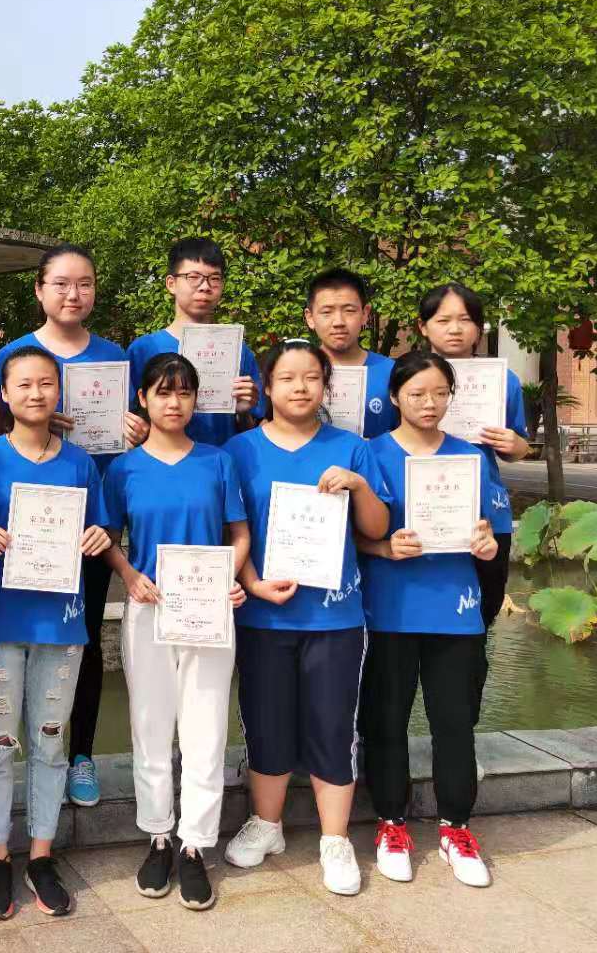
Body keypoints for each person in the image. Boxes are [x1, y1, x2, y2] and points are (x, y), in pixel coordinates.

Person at [221, 339, 391, 897]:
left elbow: (376, 529)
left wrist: (358, 485)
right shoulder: (238, 451)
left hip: (334, 617)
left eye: (312, 378)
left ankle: (334, 838)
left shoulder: (350, 448)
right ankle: (266, 824)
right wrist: (251, 583)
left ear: (326, 386)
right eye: (287, 378)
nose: (300, 387)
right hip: (263, 617)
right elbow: (233, 531)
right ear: (266, 388)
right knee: (265, 722)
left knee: (331, 724)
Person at [0, 244, 146, 808]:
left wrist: (137, 433)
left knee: (81, 636)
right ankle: (12, 759)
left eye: (84, 283)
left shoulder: (115, 357)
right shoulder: (15, 355)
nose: (73, 294)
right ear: (39, 290)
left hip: (90, 522)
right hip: (25, 526)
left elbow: (137, 428)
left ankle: (78, 754)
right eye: (60, 283)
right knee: (16, 641)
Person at [0, 345, 112, 920]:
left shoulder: (79, 463)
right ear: (4, 393)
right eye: (23, 384)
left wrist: (97, 537)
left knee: (50, 740)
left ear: (59, 391)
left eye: (46, 383)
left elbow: (99, 527)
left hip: (60, 622)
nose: (35, 393)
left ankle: (42, 855)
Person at [103, 353, 249, 910]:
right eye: (163, 393)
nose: (174, 402)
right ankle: (159, 835)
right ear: (143, 399)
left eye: (184, 392)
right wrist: (128, 574)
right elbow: (108, 537)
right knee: (150, 724)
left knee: (205, 728)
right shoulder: (124, 469)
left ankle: (195, 843)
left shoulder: (217, 461)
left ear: (195, 400)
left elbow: (239, 534)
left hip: (208, 610)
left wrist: (230, 577)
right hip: (150, 608)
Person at [358, 351, 502, 889]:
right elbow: (350, 538)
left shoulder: (471, 457)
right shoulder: (370, 453)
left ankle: (456, 828)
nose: (429, 403)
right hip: (390, 609)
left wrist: (486, 546)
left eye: (440, 393)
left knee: (454, 724)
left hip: (455, 612)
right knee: (386, 721)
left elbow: (488, 533)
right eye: (417, 393)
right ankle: (391, 823)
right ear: (395, 396)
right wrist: (383, 547)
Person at [416, 283, 529, 631]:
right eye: (443, 320)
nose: (454, 329)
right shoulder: (405, 377)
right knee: (416, 613)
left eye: (465, 320)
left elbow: (519, 449)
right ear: (423, 327)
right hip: (419, 510)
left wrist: (515, 445)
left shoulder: (503, 381)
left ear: (479, 328)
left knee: (482, 612)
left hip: (487, 516)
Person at [125, 237, 262, 448]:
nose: (205, 287)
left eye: (214, 278)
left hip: (223, 461)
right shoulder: (143, 350)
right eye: (194, 277)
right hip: (162, 462)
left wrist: (244, 412)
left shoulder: (237, 351)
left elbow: (253, 428)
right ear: (171, 284)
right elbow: (130, 420)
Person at [303, 268, 398, 438]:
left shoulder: (392, 372)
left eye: (349, 311)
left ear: (365, 314)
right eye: (327, 312)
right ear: (310, 318)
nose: (338, 322)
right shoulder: (295, 373)